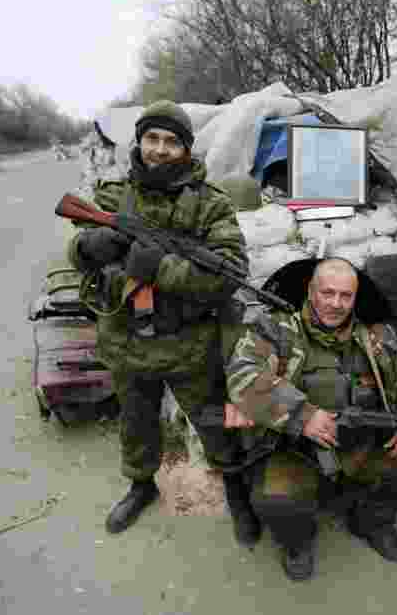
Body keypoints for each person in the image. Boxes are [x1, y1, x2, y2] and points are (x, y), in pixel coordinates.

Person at [65, 99, 253, 539]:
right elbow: (76, 251)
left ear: (186, 148)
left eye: (172, 141)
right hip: (125, 339)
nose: (160, 149)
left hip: (188, 342)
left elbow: (230, 273)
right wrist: (90, 247)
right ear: (139, 141)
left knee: (213, 424)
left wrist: (159, 268)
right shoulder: (112, 194)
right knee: (136, 422)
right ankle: (140, 486)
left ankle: (237, 491)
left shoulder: (210, 204)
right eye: (152, 138)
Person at [223, 258, 397, 581]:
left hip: (361, 443)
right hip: (296, 450)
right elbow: (242, 375)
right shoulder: (276, 330)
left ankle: (372, 522)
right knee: (276, 499)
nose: (336, 304)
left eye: (346, 296)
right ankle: (298, 543)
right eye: (328, 293)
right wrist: (302, 415)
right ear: (311, 291)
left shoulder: (375, 335)